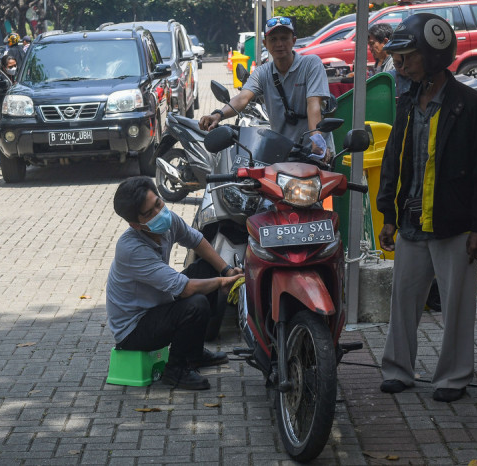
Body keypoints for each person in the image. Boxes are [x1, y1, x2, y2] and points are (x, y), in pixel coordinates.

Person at [376, 13, 477, 403]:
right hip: (413, 223)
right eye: (398, 57)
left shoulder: (471, 105)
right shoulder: (406, 102)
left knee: (457, 308)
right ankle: (397, 370)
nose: (399, 64)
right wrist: (388, 215)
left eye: (408, 56)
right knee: (402, 301)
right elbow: (392, 162)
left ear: (433, 57)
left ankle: (452, 378)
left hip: (456, 227)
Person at [106, 177, 244, 390]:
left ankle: (195, 355)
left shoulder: (168, 220)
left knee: (206, 268)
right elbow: (185, 288)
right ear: (135, 224)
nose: (159, 212)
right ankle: (176, 371)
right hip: (133, 329)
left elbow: (196, 240)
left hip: (157, 306)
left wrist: (225, 269)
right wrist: (223, 281)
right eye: (149, 213)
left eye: (158, 204)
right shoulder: (131, 249)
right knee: (195, 304)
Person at [198, 16, 332, 158]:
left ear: (293, 41)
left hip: (314, 153)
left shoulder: (311, 64)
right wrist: (218, 115)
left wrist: (317, 144)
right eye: (273, 39)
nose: (279, 44)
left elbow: (314, 105)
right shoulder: (262, 72)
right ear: (265, 44)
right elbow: (242, 98)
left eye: (284, 38)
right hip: (282, 153)